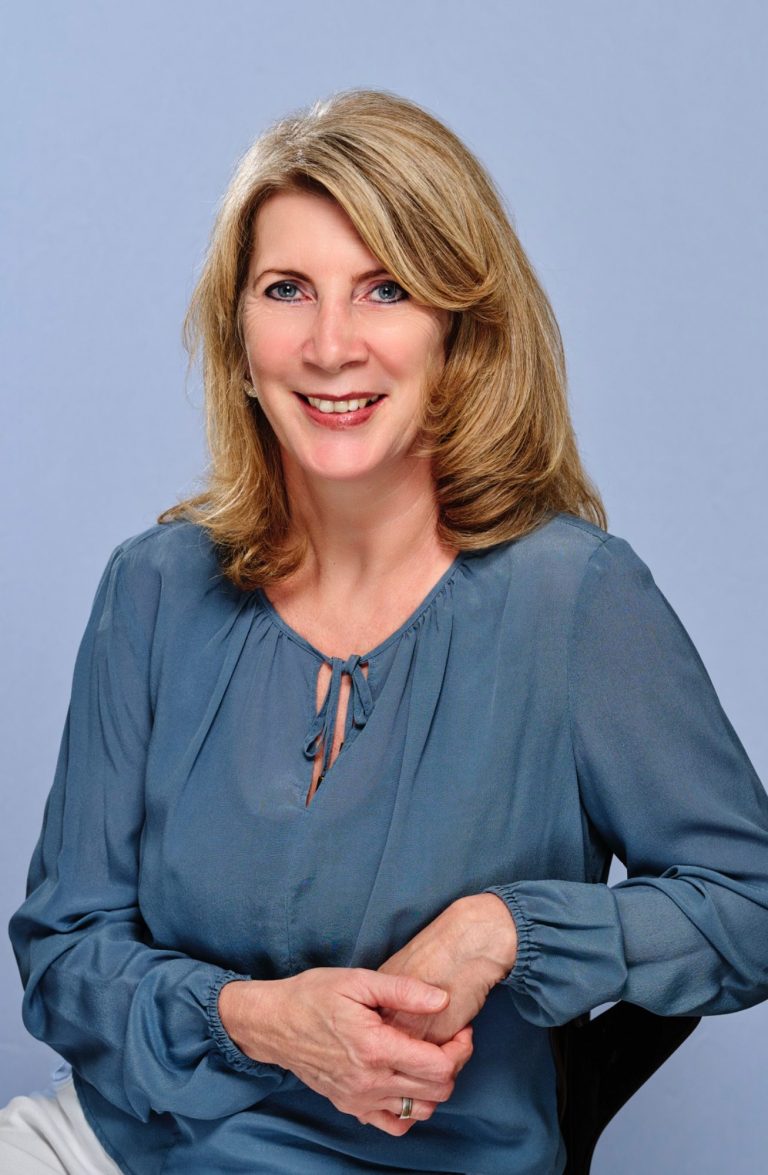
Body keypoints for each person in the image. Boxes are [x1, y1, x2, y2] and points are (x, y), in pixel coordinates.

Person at [4, 87, 768, 1175]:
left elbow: (751, 905)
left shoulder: (576, 598)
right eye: (287, 289)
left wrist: (507, 928)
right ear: (238, 330)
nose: (330, 345)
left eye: (386, 289)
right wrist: (258, 1019)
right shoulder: (153, 587)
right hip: (117, 1148)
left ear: (460, 327)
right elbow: (62, 955)